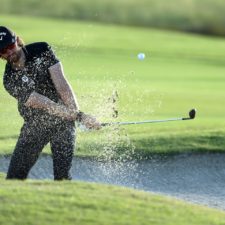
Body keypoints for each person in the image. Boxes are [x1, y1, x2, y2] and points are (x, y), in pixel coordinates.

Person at [0, 26, 101, 180]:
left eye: (10, 46)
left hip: (63, 122)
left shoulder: (42, 49)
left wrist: (77, 115)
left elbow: (62, 85)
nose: (9, 52)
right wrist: (79, 117)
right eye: (3, 51)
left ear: (17, 41)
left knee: (62, 177)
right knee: (14, 177)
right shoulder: (9, 80)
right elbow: (45, 104)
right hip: (34, 126)